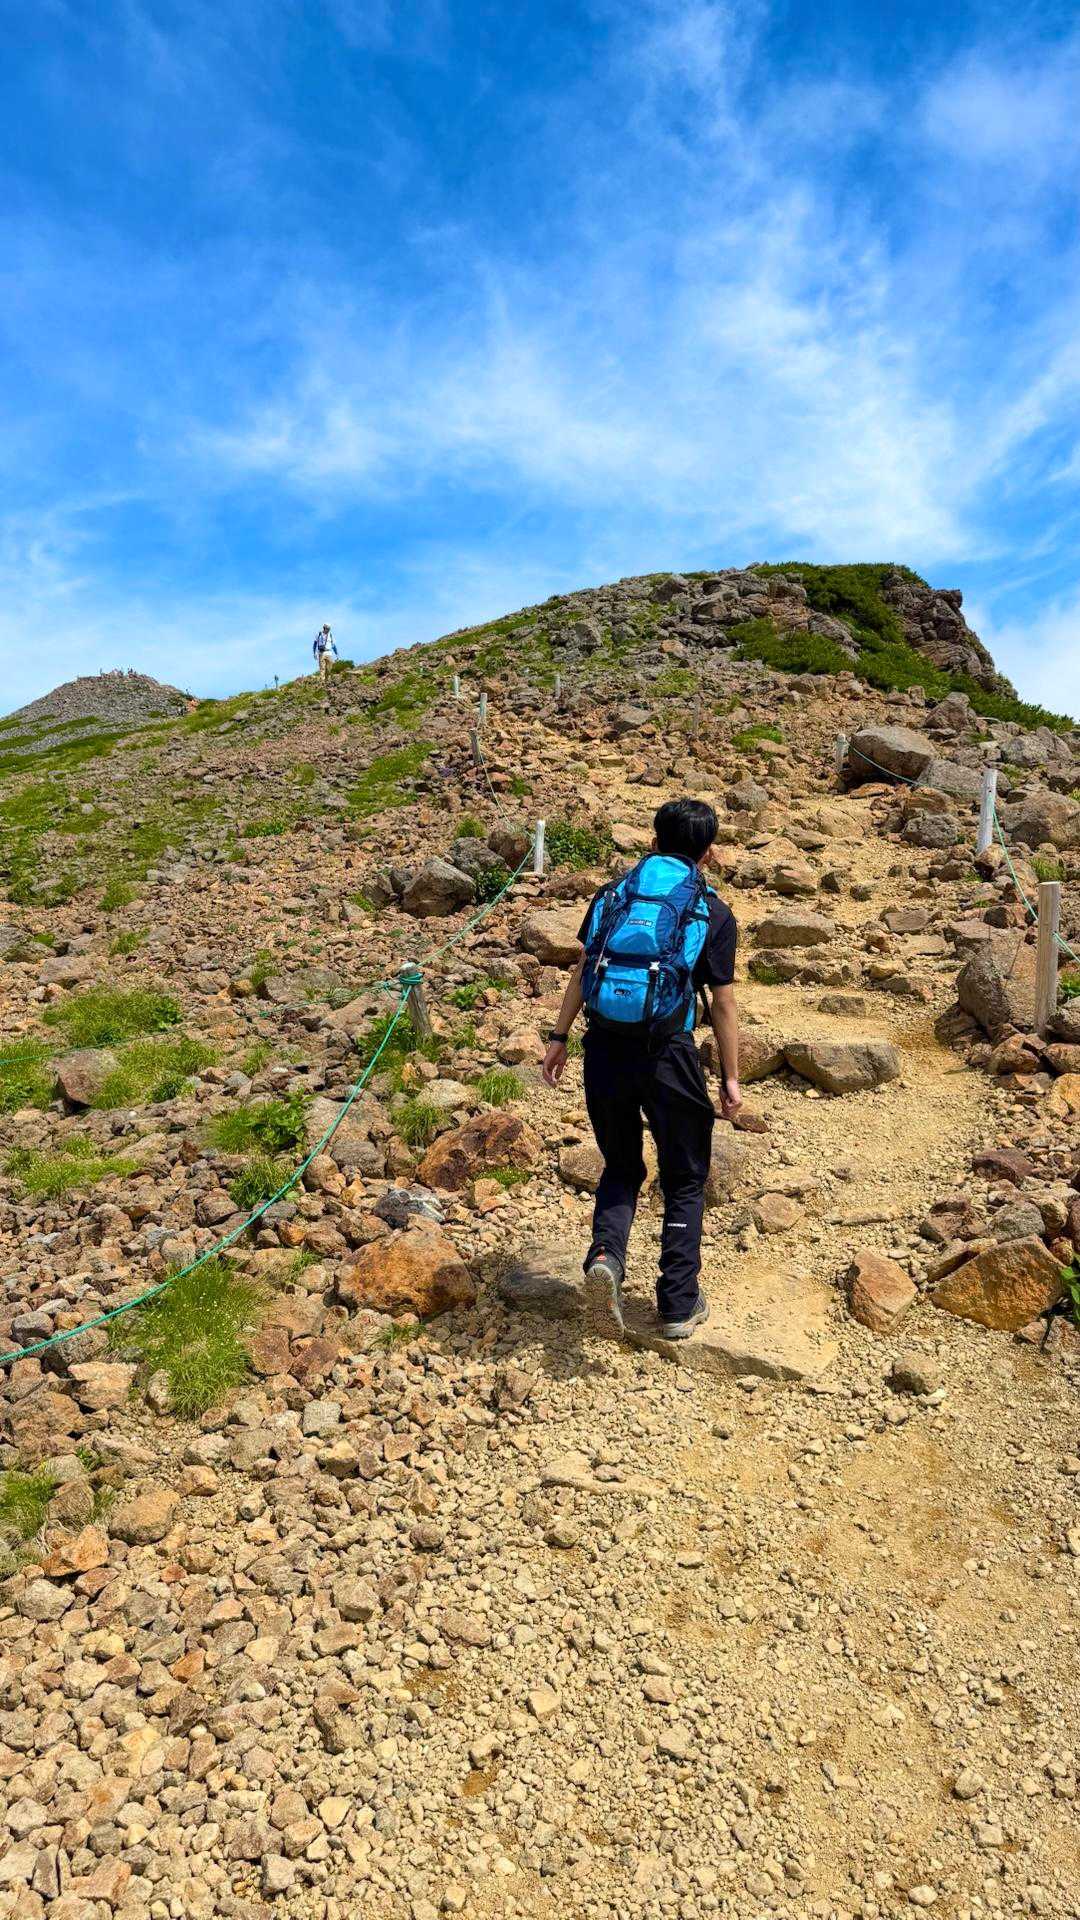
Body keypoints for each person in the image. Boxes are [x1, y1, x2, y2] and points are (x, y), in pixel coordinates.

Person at [541, 798, 741, 1341]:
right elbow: (723, 1004)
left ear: (653, 842)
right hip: (668, 1055)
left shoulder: (613, 896)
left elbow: (584, 969)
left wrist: (559, 1037)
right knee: (685, 1176)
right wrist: (730, 1077)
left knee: (622, 1166)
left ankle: (605, 1257)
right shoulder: (712, 911)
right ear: (707, 853)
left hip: (604, 1049)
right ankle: (677, 1301)